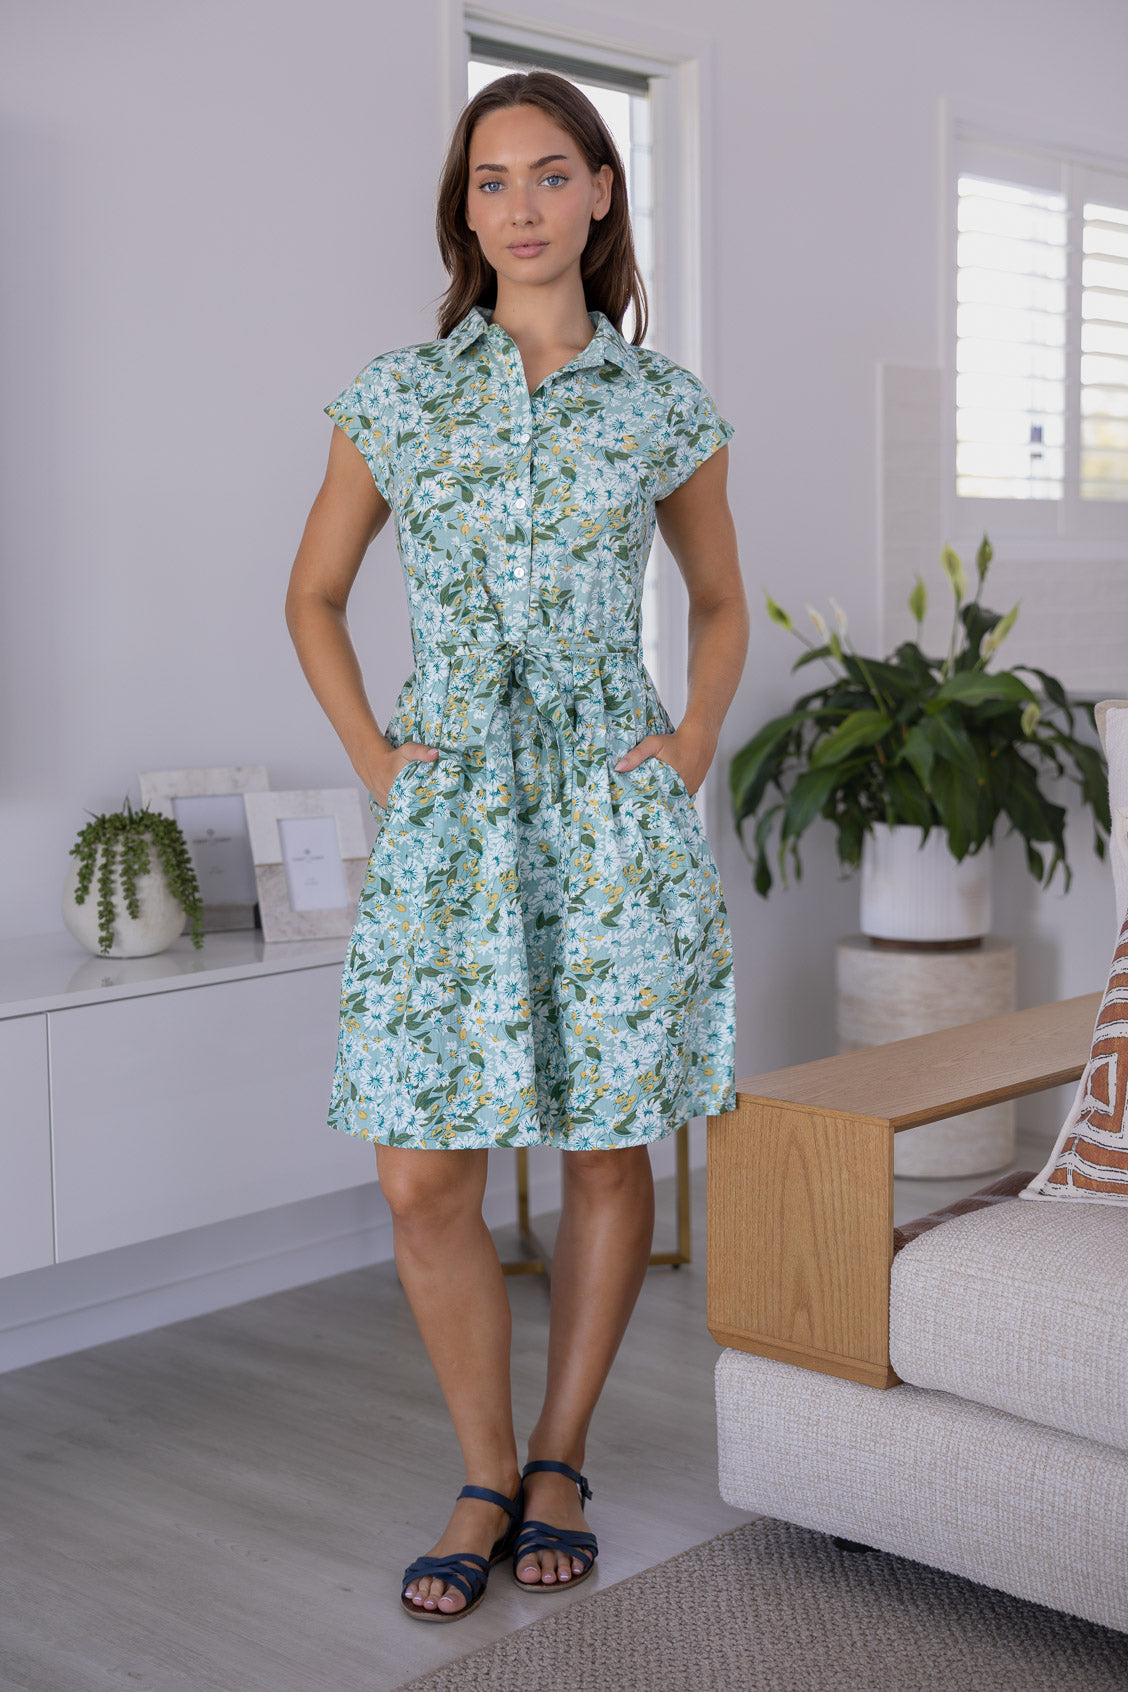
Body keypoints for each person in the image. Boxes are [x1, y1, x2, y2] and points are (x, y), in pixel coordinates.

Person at [284, 69, 748, 1622]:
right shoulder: (398, 397)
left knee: (607, 1147)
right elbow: (313, 594)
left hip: (608, 815)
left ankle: (559, 1460)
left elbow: (721, 601)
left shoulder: (662, 403)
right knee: (425, 1175)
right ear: (465, 211)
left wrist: (687, 745)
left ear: (602, 191)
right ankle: (482, 1470)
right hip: (451, 814)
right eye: (493, 181)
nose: (524, 206)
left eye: (553, 174)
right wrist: (376, 758)